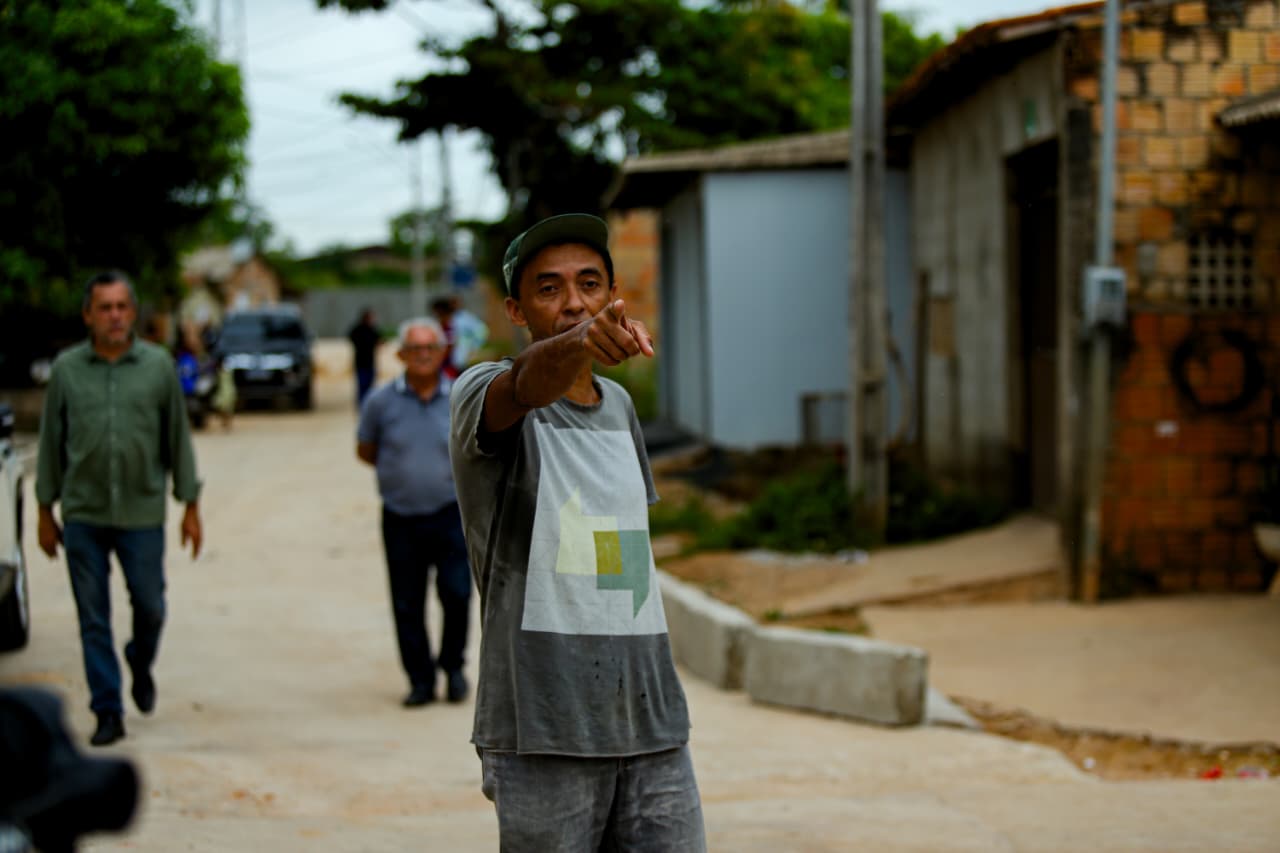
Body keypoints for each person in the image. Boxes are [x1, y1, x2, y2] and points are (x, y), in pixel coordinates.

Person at [448, 214, 705, 850]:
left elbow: (624, 556)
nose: (574, 303)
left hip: (650, 722)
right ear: (516, 309)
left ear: (613, 293)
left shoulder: (620, 407)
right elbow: (528, 384)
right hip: (543, 728)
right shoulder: (485, 392)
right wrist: (578, 345)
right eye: (549, 289)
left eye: (589, 285)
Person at [35, 271, 203, 748]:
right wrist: (45, 511)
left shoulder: (157, 367)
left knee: (150, 606)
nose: (114, 316)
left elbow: (178, 437)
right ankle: (107, 709)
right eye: (104, 307)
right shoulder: (67, 370)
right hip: (84, 514)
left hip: (142, 512)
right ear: (88, 315)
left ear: (133, 312)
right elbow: (50, 442)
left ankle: (140, 659)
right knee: (93, 617)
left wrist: (190, 503)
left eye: (121, 307)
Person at [356, 317, 472, 708]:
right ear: (401, 354)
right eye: (415, 349)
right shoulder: (380, 402)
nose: (423, 355)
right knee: (407, 602)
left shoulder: (459, 397)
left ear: (442, 352)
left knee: (456, 594)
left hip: (452, 514)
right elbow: (366, 450)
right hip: (401, 517)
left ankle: (453, 669)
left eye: (430, 348)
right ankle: (420, 680)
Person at [430, 294, 489, 379]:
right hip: (451, 362)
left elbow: (482, 331)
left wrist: (475, 347)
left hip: (458, 360)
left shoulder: (463, 318)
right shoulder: (446, 323)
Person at [347, 307, 381, 407]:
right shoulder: (360, 330)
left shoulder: (371, 330)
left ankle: (366, 405)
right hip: (362, 363)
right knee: (363, 386)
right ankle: (363, 405)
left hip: (368, 363)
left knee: (368, 386)